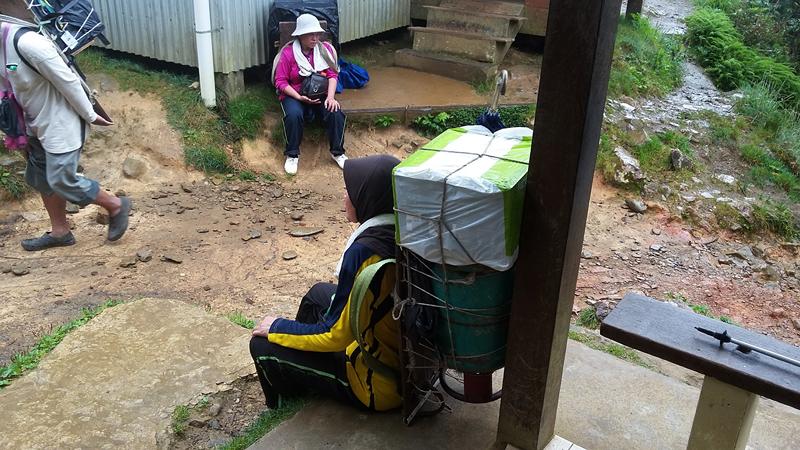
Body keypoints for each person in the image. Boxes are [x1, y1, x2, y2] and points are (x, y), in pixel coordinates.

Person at [250, 155, 401, 411]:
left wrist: (277, 327)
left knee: (261, 344)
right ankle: (303, 365)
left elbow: (335, 335)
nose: (345, 195)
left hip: (377, 385)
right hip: (400, 357)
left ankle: (286, 399)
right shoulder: (399, 228)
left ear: (368, 197)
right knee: (318, 293)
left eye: (351, 190)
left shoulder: (365, 252)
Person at [1, 22, 130, 250]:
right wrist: (14, 131)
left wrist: (90, 115)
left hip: (61, 120)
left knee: (62, 178)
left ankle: (116, 205)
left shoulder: (29, 44)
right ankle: (60, 232)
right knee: (41, 175)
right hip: (33, 124)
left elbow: (68, 80)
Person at [273, 13, 346, 175]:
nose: (315, 38)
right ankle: (292, 155)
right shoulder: (288, 53)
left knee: (336, 112)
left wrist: (331, 97)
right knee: (293, 115)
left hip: (321, 93)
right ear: (300, 35)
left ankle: (338, 152)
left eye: (317, 34)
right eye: (310, 34)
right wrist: (299, 97)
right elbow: (281, 82)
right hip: (295, 94)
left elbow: (333, 75)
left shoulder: (324, 50)